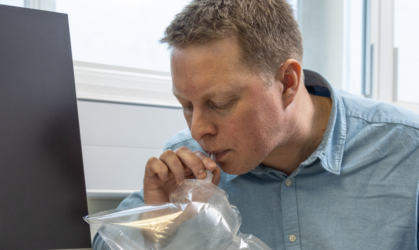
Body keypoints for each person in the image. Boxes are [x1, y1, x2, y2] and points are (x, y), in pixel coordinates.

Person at [93, 0, 419, 249]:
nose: (197, 130)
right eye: (187, 106)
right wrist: (158, 219)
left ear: (287, 83)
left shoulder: (408, 154)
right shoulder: (188, 168)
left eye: (219, 103)